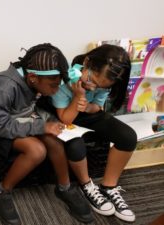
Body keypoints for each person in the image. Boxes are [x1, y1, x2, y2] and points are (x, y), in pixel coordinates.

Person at [0, 43, 93, 224]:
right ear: (33, 78)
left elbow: (33, 110)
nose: (56, 90)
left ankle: (64, 187)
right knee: (37, 150)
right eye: (53, 86)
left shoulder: (34, 76)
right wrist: (41, 127)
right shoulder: (5, 86)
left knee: (55, 138)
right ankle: (2, 190)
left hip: (25, 118)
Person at [52, 44, 137, 222]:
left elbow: (98, 106)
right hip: (65, 115)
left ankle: (109, 186)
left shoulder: (106, 82)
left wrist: (90, 107)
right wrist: (77, 96)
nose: (93, 88)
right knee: (76, 145)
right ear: (87, 62)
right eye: (93, 81)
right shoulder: (64, 78)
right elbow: (65, 118)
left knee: (128, 137)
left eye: (102, 87)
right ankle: (87, 185)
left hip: (88, 113)